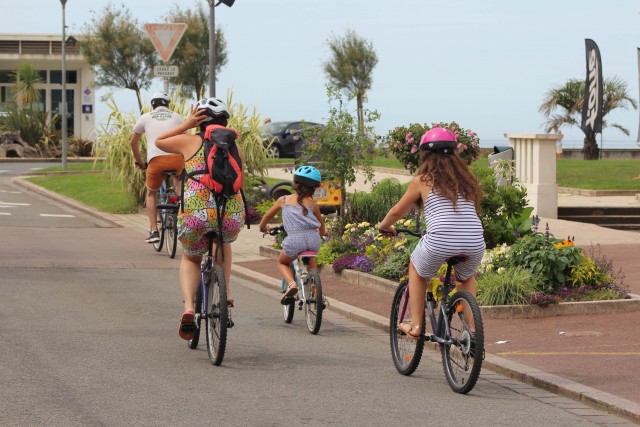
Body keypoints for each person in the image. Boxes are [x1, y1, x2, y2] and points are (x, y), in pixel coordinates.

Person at [377, 127, 485, 339]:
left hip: (440, 241)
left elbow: (397, 211)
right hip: (475, 241)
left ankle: (416, 326)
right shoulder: (467, 181)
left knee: (416, 270)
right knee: (465, 278)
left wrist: (383, 226)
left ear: (426, 155)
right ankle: (471, 332)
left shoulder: (423, 180)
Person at [155, 97, 246, 340]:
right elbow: (240, 183)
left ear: (200, 120)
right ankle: (225, 295)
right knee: (223, 243)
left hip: (196, 214)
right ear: (225, 121)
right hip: (230, 213)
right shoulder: (235, 147)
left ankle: (189, 308)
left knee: (191, 259)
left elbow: (158, 142)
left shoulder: (189, 141)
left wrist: (186, 124)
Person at [259, 165, 327, 303]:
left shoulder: (283, 200)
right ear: (313, 188)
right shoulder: (313, 205)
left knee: (282, 262)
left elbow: (266, 217)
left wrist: (262, 227)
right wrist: (324, 233)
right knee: (311, 261)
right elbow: (321, 226)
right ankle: (317, 293)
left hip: (295, 240)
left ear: (295, 184)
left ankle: (292, 284)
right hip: (313, 240)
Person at [130, 92, 185, 243]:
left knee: (151, 193)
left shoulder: (145, 117)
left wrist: (140, 161)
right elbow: (185, 138)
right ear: (168, 104)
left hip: (156, 160)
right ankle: (182, 214)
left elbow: (133, 142)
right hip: (177, 159)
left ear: (153, 105)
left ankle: (154, 231)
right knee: (180, 184)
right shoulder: (177, 117)